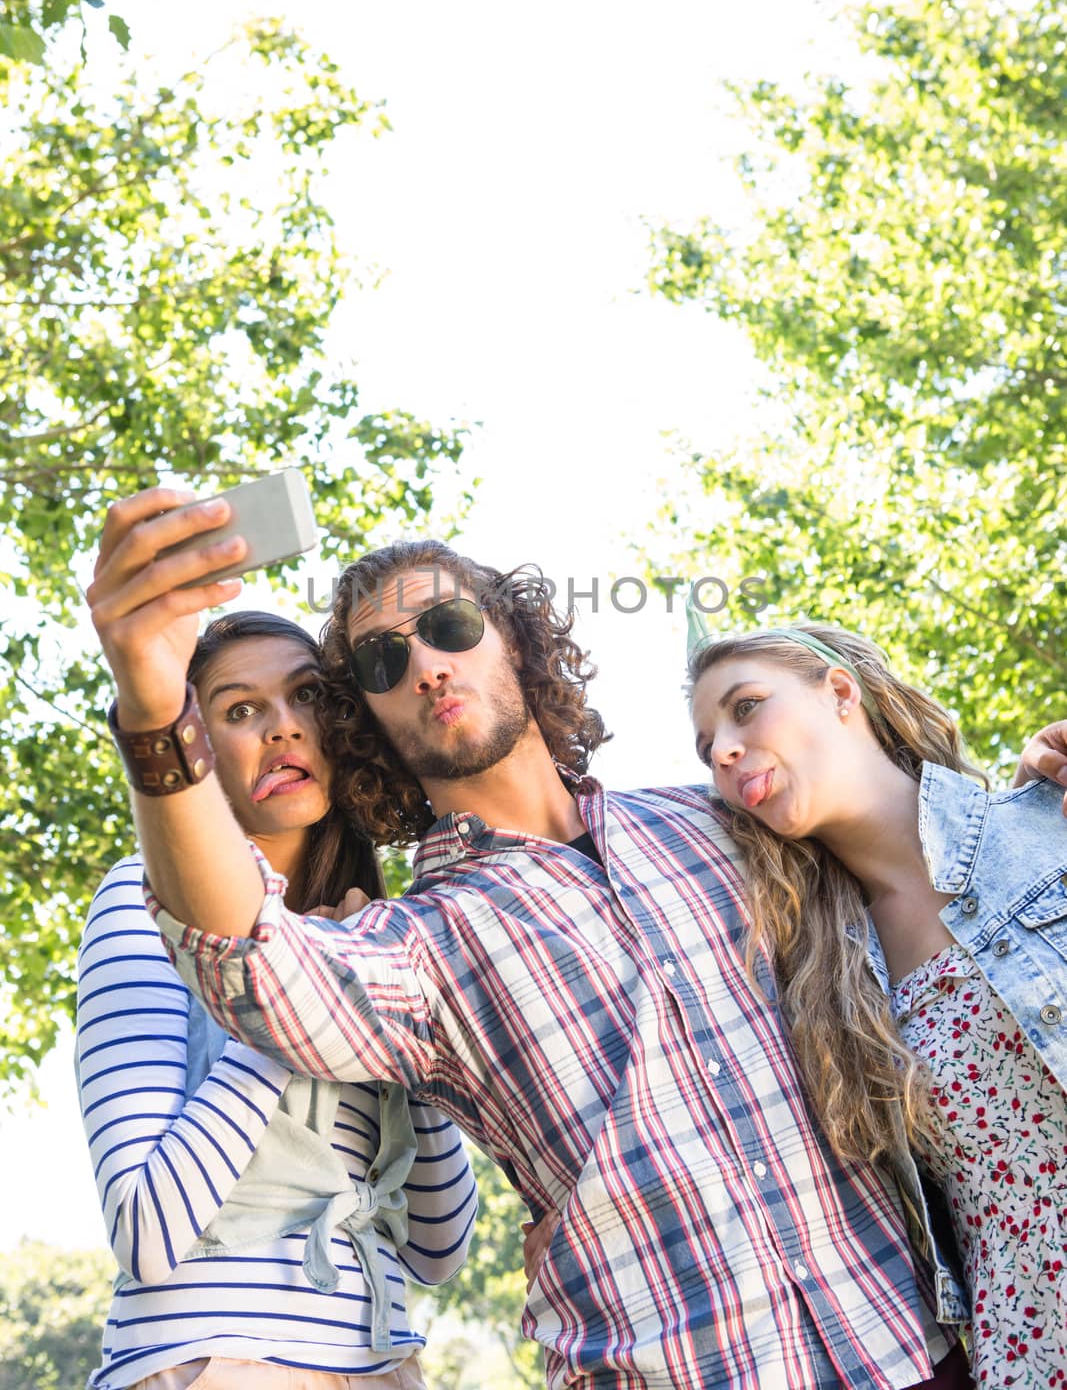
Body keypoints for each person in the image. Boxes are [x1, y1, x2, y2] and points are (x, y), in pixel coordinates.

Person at [88, 489, 1067, 1389]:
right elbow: (246, 957)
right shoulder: (415, 946)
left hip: (910, 1352)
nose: (425, 663)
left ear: (509, 639)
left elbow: (914, 857)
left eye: (446, 625)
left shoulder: (719, 825)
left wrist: (1039, 789)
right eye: (384, 660)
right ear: (369, 724)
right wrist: (151, 701)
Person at [76, 608, 478, 1390]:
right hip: (215, 1364)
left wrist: (388, 999)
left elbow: (438, 1249)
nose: (284, 729)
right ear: (198, 756)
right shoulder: (143, 900)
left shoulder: (384, 927)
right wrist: (287, 999)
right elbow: (145, 1232)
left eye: (306, 699)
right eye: (239, 710)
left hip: (384, 1364)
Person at [687, 618, 1067, 1390]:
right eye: (706, 748)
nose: (724, 751)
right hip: (1033, 1350)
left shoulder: (1045, 825)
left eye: (746, 706)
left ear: (838, 692)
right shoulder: (822, 996)